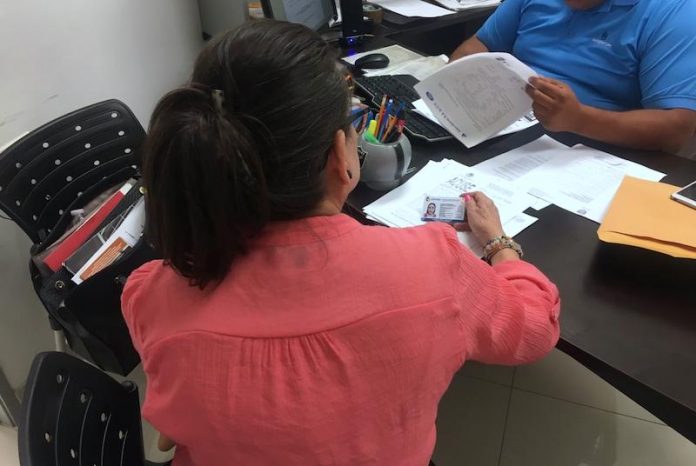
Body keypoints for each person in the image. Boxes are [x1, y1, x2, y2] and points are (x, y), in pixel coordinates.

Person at [122, 20, 560, 466]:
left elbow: (179, 417)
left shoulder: (151, 293)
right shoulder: (432, 267)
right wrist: (499, 245)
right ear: (340, 154)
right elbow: (534, 328)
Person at [451, 0, 696, 153]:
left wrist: (579, 119)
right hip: (503, 125)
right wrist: (453, 83)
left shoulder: (676, 12)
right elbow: (479, 44)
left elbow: (677, 128)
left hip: (592, 147)